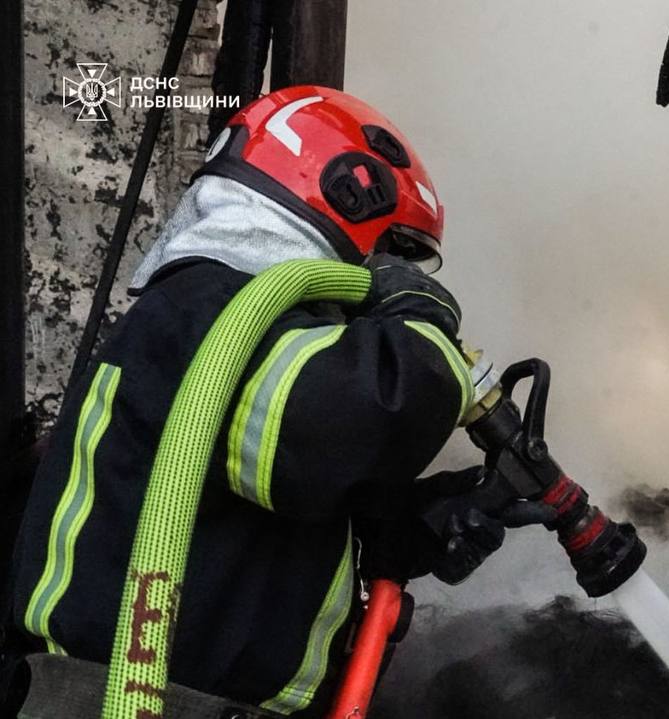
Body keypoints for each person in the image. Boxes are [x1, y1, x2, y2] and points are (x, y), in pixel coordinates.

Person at [2, 85, 547, 718]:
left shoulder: (227, 324)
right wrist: (420, 313)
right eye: (390, 251)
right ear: (349, 197)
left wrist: (407, 526)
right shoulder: (213, 308)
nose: (382, 271)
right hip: (129, 703)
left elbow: (264, 504)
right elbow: (343, 429)